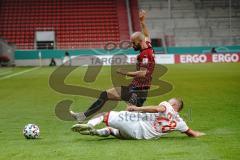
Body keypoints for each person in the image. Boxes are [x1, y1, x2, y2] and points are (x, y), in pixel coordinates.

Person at [70, 10, 155, 123]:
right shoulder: (148, 45)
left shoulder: (145, 54)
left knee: (131, 119)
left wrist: (124, 72)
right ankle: (83, 116)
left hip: (138, 92)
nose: (132, 45)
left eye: (133, 43)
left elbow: (143, 73)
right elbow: (147, 34)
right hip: (133, 88)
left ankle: (162, 120)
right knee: (105, 95)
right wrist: (142, 22)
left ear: (140, 41)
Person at [71, 98, 205, 139]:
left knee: (104, 114)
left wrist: (137, 108)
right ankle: (95, 132)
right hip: (141, 136)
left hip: (136, 127)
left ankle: (89, 125)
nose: (168, 102)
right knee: (113, 131)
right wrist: (201, 134)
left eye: (171, 101)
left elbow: (158, 109)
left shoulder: (167, 106)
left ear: (175, 106)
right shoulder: (180, 122)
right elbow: (191, 133)